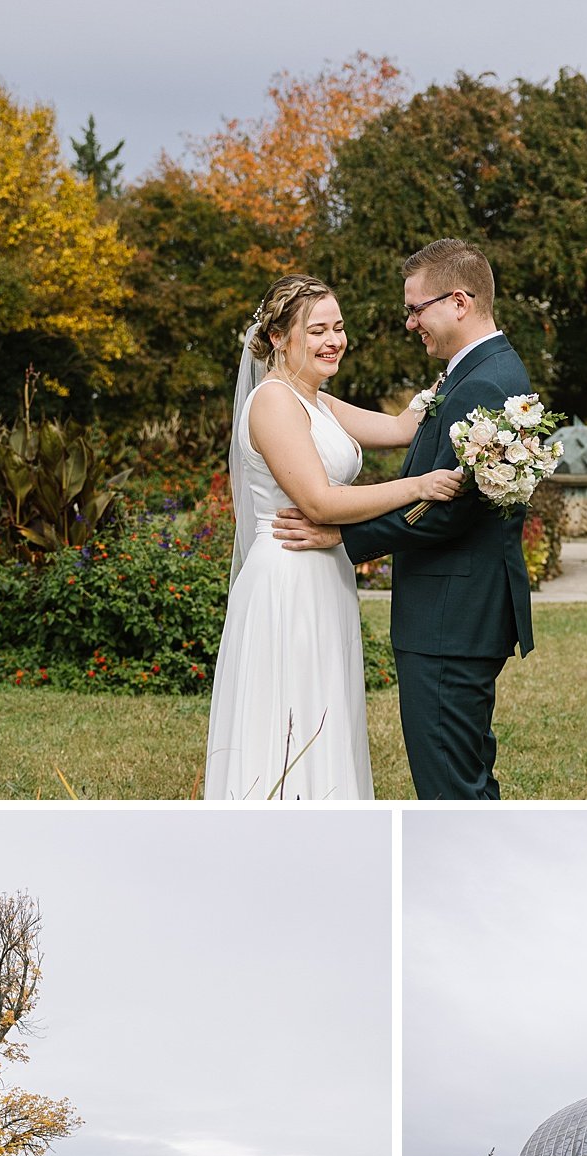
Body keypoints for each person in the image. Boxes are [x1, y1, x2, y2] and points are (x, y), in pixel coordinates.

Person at [274, 238, 535, 801]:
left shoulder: (484, 382)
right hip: (459, 608)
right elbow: (405, 438)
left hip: (451, 614)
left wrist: (342, 536)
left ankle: (471, 884)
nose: (411, 322)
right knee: (459, 770)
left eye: (418, 308)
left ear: (459, 302)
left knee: (451, 785)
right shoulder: (474, 374)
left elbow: (448, 512)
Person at [203, 274, 464, 800]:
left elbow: (399, 428)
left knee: (324, 700)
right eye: (318, 329)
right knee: (290, 706)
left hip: (326, 572)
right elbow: (319, 502)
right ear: (279, 338)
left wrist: (450, 380)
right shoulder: (274, 402)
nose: (334, 340)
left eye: (339, 328)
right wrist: (416, 486)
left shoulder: (316, 400)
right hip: (288, 576)